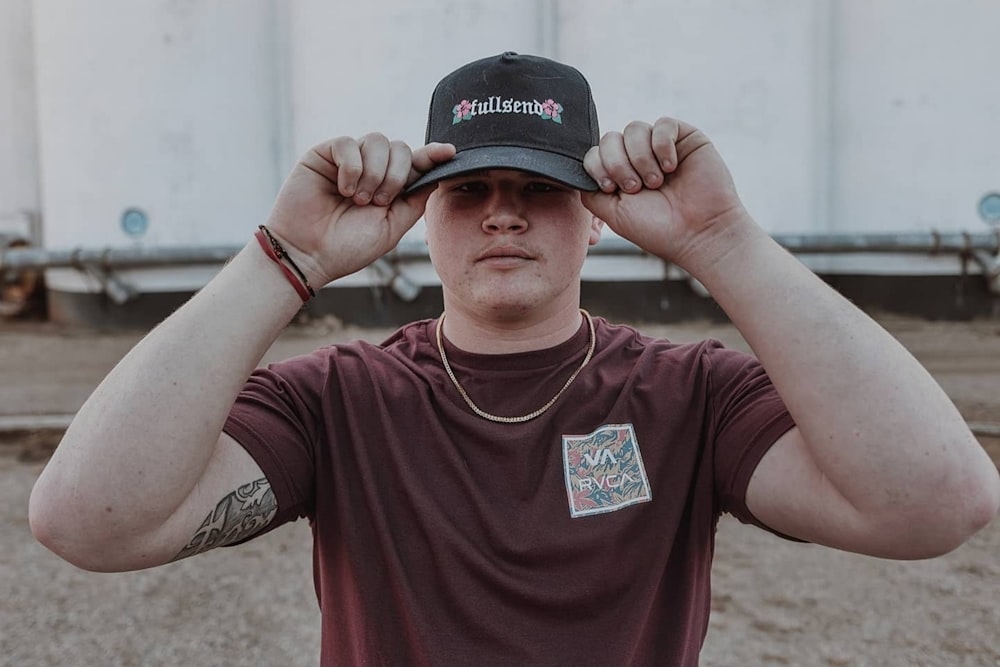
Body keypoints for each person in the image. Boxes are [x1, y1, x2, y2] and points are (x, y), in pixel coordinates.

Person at [28, 51, 999, 666]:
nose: (501, 210)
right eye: (469, 188)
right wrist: (284, 260)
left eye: (536, 188)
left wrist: (723, 240)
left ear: (597, 220)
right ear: (423, 221)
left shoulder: (685, 393)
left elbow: (934, 502)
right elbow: (87, 520)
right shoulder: (341, 399)